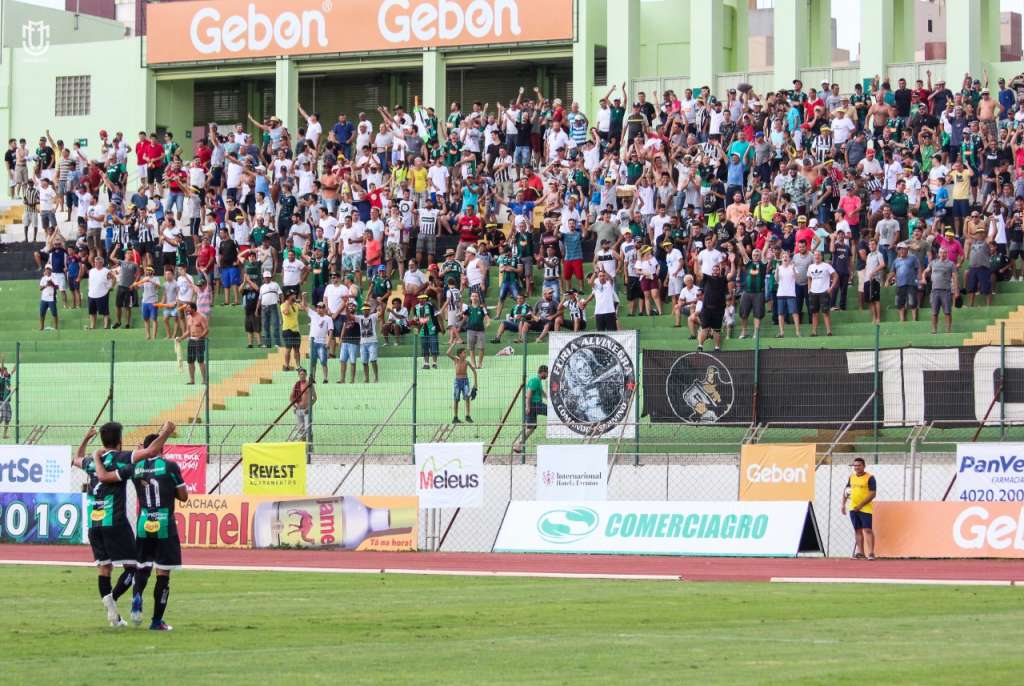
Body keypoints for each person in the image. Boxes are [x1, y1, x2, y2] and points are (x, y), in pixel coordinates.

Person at [73, 420, 174, 627]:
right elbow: (151, 451)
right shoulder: (121, 458)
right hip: (115, 521)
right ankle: (114, 601)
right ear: (119, 441)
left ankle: (114, 615)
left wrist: (85, 439)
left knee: (104, 568)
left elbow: (76, 459)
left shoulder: (92, 461)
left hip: (94, 523)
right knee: (134, 567)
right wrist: (166, 432)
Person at [841, 457, 877, 560]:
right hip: (853, 508)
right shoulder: (851, 477)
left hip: (865, 508)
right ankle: (861, 553)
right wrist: (843, 504)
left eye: (859, 465)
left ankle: (871, 553)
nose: (856, 467)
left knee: (867, 529)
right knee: (857, 530)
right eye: (855, 465)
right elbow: (846, 491)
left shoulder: (870, 477)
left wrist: (861, 505)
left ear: (864, 466)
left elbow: (873, 493)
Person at [698, 261, 733, 353]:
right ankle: (700, 346)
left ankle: (717, 347)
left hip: (718, 310)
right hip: (706, 309)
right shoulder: (707, 278)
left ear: (719, 271)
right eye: (714, 270)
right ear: (711, 271)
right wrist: (697, 261)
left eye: (717, 270)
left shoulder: (723, 279)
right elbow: (698, 273)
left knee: (717, 330)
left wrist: (732, 262)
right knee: (705, 328)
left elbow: (732, 274)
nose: (715, 271)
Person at [924, 246, 960, 334]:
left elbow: (955, 278)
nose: (942, 254)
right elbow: (925, 271)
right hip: (934, 291)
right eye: (941, 252)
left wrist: (956, 291)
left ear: (947, 254)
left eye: (944, 253)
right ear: (938, 254)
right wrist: (923, 278)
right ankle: (934, 329)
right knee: (934, 312)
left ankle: (948, 329)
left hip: (946, 291)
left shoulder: (951, 264)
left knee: (947, 312)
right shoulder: (933, 263)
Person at [514, 365, 548, 453]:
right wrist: (527, 406)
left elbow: (542, 392)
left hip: (534, 405)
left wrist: (549, 399)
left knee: (531, 427)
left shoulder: (538, 381)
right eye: (547, 373)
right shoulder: (535, 380)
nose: (547, 375)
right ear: (543, 372)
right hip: (534, 405)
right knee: (551, 411)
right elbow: (528, 394)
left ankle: (518, 444)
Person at [888, 243, 922, 322]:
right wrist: (888, 280)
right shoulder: (896, 261)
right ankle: (902, 320)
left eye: (903, 249)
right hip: (900, 284)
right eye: (900, 249)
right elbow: (892, 272)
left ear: (907, 250)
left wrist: (919, 280)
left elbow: (918, 268)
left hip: (911, 283)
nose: (902, 251)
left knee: (912, 301)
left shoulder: (913, 258)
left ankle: (914, 319)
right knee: (900, 302)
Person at [806, 250, 837, 336]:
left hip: (824, 292)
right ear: (814, 257)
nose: (817, 256)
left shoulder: (826, 266)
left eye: (818, 255)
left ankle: (829, 331)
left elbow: (835, 276)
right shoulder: (811, 267)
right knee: (814, 313)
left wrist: (831, 287)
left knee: (825, 312)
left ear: (821, 256)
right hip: (813, 292)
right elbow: (809, 278)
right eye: (815, 255)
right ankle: (814, 332)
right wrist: (809, 289)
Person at [446, 343, 478, 424]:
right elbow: (447, 353)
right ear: (460, 354)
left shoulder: (467, 362)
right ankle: (455, 417)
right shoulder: (456, 360)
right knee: (456, 399)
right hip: (457, 381)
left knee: (467, 398)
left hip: (465, 381)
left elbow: (474, 371)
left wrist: (475, 384)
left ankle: (468, 416)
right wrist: (453, 344)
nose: (465, 354)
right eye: (464, 353)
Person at [178, 302, 208, 385]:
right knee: (190, 361)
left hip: (200, 341)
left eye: (188, 308)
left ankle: (204, 380)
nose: (186, 309)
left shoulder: (201, 317)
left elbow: (206, 329)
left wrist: (200, 337)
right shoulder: (188, 318)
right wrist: (181, 338)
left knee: (200, 360)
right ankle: (192, 380)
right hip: (191, 340)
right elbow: (188, 331)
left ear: (193, 309)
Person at [87, 255, 116, 330]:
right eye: (96, 262)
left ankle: (106, 326)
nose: (97, 264)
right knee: (92, 312)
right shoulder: (91, 271)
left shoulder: (106, 271)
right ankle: (92, 326)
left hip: (103, 293)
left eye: (99, 262)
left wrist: (111, 287)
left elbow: (114, 278)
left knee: (105, 312)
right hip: (91, 294)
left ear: (102, 263)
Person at [257, 270, 283, 348]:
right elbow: (260, 299)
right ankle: (267, 344)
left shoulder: (275, 284)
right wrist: (257, 309)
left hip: (273, 306)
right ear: (263, 278)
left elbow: (281, 294)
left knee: (276, 325)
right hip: (264, 307)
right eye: (265, 277)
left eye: (268, 277)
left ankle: (277, 343)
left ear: (270, 277)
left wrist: (282, 304)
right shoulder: (262, 287)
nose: (267, 278)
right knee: (265, 326)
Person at [280, 291, 302, 371]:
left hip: (296, 330)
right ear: (289, 296)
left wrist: (303, 298)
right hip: (287, 330)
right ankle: (286, 365)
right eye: (293, 295)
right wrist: (288, 303)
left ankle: (298, 366)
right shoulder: (283, 305)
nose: (295, 296)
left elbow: (303, 307)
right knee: (288, 349)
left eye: (295, 294)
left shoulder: (295, 305)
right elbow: (286, 312)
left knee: (297, 350)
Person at [290, 368, 316, 437]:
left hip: (307, 410)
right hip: (298, 410)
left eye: (304, 374)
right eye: (301, 374)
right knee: (300, 430)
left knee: (308, 429)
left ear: (306, 375)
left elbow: (315, 398)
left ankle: (309, 443)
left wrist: (308, 407)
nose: (302, 376)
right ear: (298, 375)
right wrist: (295, 406)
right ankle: (302, 442)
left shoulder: (309, 385)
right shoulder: (296, 385)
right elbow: (291, 398)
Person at [39, 265, 59, 330]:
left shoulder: (54, 277)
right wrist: (46, 285)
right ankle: (41, 327)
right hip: (44, 299)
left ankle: (56, 327)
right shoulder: (43, 278)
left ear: (51, 270)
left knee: (54, 313)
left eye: (49, 269)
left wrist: (52, 284)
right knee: (42, 313)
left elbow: (57, 287)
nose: (47, 270)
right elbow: (40, 288)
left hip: (51, 298)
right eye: (46, 269)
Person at [0, 358, 15, 439]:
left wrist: (18, 361)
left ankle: (4, 434)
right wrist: (2, 361)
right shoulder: (2, 378)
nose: (6, 372)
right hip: (4, 401)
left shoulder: (8, 377)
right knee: (5, 417)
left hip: (6, 401)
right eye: (4, 371)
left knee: (5, 418)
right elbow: (2, 369)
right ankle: (4, 435)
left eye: (6, 371)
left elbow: (13, 371)